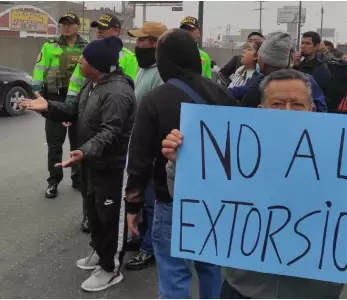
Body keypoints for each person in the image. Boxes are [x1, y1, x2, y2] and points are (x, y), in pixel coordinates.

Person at [161, 69, 347, 299]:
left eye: (297, 105)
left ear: (312, 110)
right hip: (244, 290)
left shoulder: (342, 156)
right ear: (261, 109)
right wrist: (183, 163)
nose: (287, 112)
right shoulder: (240, 152)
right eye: (278, 104)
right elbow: (195, 204)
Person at [124, 28, 236, 298]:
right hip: (216, 202)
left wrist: (133, 205)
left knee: (175, 274)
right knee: (212, 268)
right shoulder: (224, 95)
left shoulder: (156, 99)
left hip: (173, 201)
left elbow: (139, 160)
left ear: (165, 60)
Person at [20, 36, 135, 292]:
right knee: (92, 211)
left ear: (97, 64)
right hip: (91, 161)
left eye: (84, 59)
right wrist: (47, 107)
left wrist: (84, 150)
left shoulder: (117, 93)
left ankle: (110, 268)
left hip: (111, 166)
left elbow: (111, 132)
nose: (79, 62)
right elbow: (74, 111)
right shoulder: (92, 84)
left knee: (109, 218)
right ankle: (99, 252)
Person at [70, 13, 138, 233]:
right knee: (89, 187)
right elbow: (77, 84)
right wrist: (63, 110)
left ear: (116, 30)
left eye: (104, 28)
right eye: (97, 27)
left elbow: (119, 102)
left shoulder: (125, 59)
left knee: (105, 200)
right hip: (89, 134)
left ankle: (107, 255)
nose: (98, 31)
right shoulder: (89, 54)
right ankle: (90, 219)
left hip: (106, 143)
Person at [124, 21, 168, 270]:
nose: (137, 44)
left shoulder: (161, 73)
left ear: (156, 44)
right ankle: (140, 237)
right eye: (137, 40)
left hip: (151, 149)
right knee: (138, 197)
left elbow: (157, 117)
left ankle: (148, 248)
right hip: (137, 143)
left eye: (142, 40)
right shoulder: (144, 68)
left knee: (151, 202)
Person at [31, 13, 88, 199]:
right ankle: (53, 181)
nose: (66, 27)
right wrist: (37, 92)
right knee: (55, 144)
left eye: (70, 24)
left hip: (79, 102)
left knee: (78, 143)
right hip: (55, 100)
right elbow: (39, 69)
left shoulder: (87, 48)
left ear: (78, 26)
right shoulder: (50, 45)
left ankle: (77, 178)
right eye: (63, 24)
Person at [239, 32, 328, 112]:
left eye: (297, 104)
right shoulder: (307, 80)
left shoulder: (259, 86)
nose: (287, 110)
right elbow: (323, 112)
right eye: (277, 104)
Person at [294, 31, 332, 99]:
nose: (303, 46)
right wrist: (296, 67)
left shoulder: (321, 68)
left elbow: (313, 93)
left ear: (316, 46)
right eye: (302, 43)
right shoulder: (302, 64)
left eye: (307, 43)